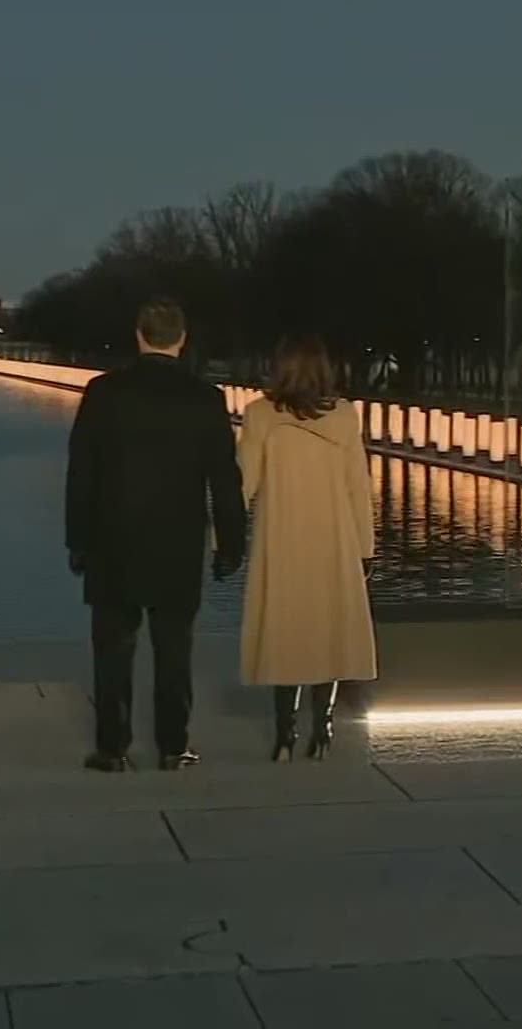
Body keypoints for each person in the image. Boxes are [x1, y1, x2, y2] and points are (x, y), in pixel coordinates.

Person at [66, 300, 246, 773]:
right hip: (177, 543)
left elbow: (81, 473)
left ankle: (112, 748)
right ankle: (173, 746)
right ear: (181, 340)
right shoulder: (205, 399)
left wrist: (77, 540)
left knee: (112, 653)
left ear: (139, 336)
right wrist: (232, 545)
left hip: (112, 542)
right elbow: (224, 481)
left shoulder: (103, 393)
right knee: (174, 651)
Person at [237, 334, 377, 761]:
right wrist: (365, 547)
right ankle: (324, 728)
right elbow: (358, 486)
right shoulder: (344, 417)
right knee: (327, 633)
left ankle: (285, 734)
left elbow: (243, 484)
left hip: (281, 541)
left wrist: (220, 539)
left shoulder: (259, 416)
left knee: (286, 634)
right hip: (333, 541)